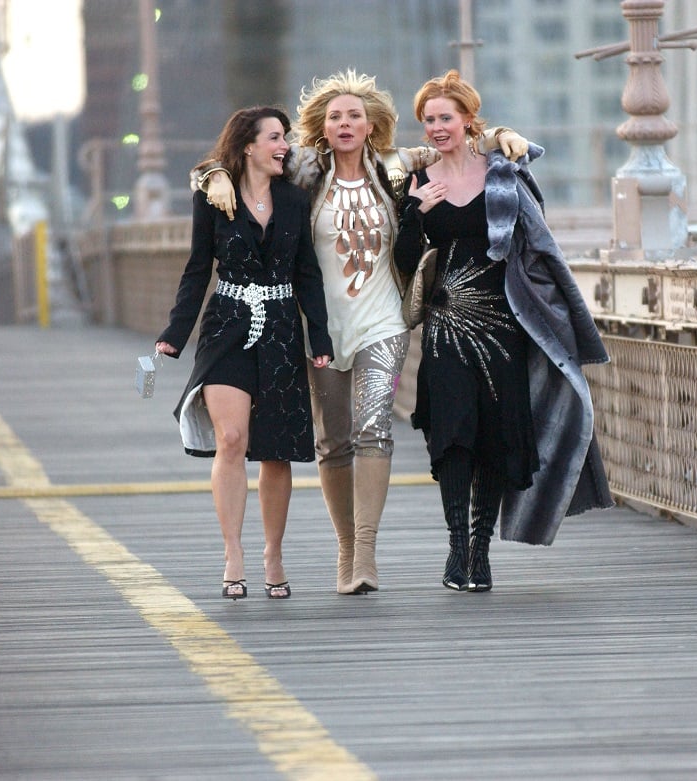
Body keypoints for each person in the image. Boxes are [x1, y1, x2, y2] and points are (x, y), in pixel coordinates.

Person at [196, 70, 528, 595]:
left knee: (374, 427)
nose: (345, 123)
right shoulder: (303, 171)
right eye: (335, 117)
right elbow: (243, 158)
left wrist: (502, 136)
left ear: (371, 124)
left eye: (355, 115)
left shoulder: (394, 167)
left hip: (383, 323)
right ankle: (345, 548)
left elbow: (455, 138)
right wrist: (212, 173)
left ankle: (367, 555)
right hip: (321, 328)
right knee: (333, 441)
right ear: (321, 129)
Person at [392, 70, 614, 592]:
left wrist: (557, 316)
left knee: (492, 439)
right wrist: (413, 214)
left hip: (502, 327)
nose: (437, 128)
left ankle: (480, 550)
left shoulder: (504, 175)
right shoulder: (418, 183)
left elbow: (540, 247)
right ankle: (455, 549)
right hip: (446, 329)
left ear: (470, 120)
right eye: (429, 120)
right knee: (453, 439)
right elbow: (403, 264)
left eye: (446, 117)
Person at [156, 105, 333, 601]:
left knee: (275, 451)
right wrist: (175, 330)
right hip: (227, 327)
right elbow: (197, 269)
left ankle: (272, 553)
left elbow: (308, 274)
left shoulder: (296, 201)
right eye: (276, 137)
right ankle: (233, 551)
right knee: (231, 438)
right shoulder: (213, 197)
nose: (286, 146)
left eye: (287, 137)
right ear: (248, 145)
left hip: (280, 330)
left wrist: (319, 336)